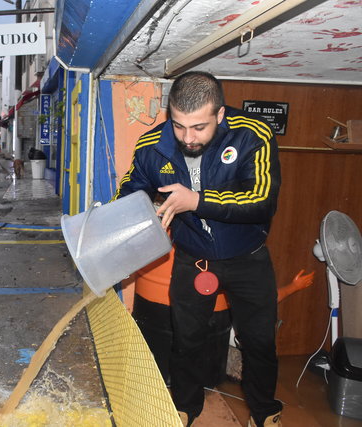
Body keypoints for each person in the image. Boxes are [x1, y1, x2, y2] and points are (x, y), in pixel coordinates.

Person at [113, 71, 282, 427]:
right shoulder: (151, 146)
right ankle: (186, 408)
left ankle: (265, 413)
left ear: (220, 115)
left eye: (199, 127)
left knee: (259, 341)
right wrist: (111, 222)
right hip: (193, 258)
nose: (188, 138)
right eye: (179, 126)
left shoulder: (253, 134)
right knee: (186, 340)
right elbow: (131, 189)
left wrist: (197, 201)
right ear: (169, 115)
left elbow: (262, 200)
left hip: (247, 258)